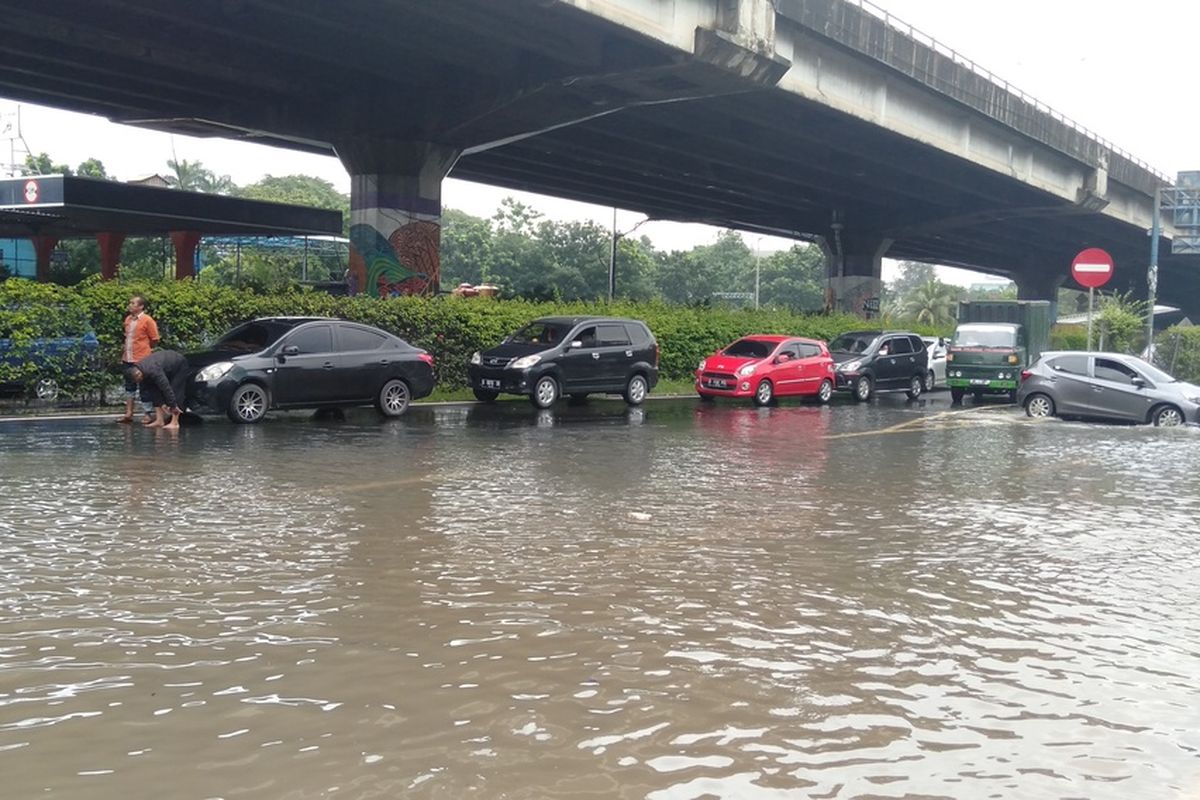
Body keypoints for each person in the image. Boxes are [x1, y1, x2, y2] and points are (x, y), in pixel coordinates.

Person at [117, 295, 159, 424]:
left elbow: (155, 339)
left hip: (141, 358)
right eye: (130, 303)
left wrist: (145, 349)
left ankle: (148, 414)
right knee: (129, 386)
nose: (130, 305)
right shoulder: (128, 319)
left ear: (141, 306)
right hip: (128, 357)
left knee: (144, 386)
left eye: (133, 303)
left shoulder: (147, 320)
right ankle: (129, 413)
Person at [128, 350, 188, 430]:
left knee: (175, 390)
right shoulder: (142, 372)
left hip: (179, 364)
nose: (139, 382)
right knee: (154, 390)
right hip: (165, 366)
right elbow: (153, 390)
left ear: (138, 374)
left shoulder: (154, 370)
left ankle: (175, 422)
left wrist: (172, 405)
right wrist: (162, 404)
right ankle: (159, 420)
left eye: (138, 380)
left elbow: (166, 388)